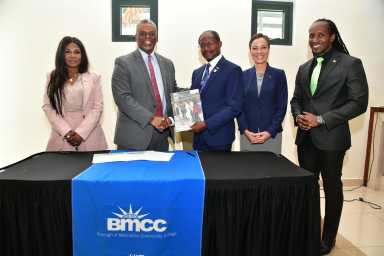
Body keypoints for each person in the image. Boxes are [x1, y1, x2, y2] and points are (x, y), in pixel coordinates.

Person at [290, 18, 368, 255]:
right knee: (309, 188)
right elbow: (296, 100)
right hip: (306, 140)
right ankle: (310, 231)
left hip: (332, 140)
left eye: (320, 35)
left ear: (332, 36)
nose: (315, 40)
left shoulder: (350, 64)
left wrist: (321, 119)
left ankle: (328, 239)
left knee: (332, 189)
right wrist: (298, 117)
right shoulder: (304, 68)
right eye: (311, 35)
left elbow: (359, 103)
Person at [112, 19, 177, 151]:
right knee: (130, 173)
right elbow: (123, 98)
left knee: (160, 172)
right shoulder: (123, 63)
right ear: (136, 37)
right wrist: (151, 119)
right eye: (142, 34)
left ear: (157, 37)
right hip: (134, 138)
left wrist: (195, 94)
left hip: (162, 137)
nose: (148, 37)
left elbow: (173, 94)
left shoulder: (168, 64)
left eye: (152, 34)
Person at [43, 36, 107, 151]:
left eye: (77, 52)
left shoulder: (94, 78)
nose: (73, 55)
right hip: (61, 136)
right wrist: (66, 132)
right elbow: (48, 107)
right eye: (68, 52)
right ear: (61, 55)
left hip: (90, 136)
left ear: (82, 56)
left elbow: (97, 107)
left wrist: (81, 133)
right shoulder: (52, 77)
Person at [190, 30, 243, 151]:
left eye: (210, 43)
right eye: (202, 45)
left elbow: (234, 107)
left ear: (220, 44)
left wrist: (206, 124)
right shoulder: (197, 73)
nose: (206, 48)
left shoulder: (233, 70)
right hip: (198, 139)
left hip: (219, 139)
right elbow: (192, 102)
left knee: (219, 171)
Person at [238, 33, 288, 154]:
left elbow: (282, 107)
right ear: (250, 51)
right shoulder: (242, 76)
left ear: (268, 49)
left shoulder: (279, 75)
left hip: (272, 136)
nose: (259, 51)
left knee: (272, 172)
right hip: (248, 136)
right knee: (248, 172)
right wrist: (244, 130)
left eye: (263, 47)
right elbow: (238, 107)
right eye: (255, 48)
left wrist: (269, 132)